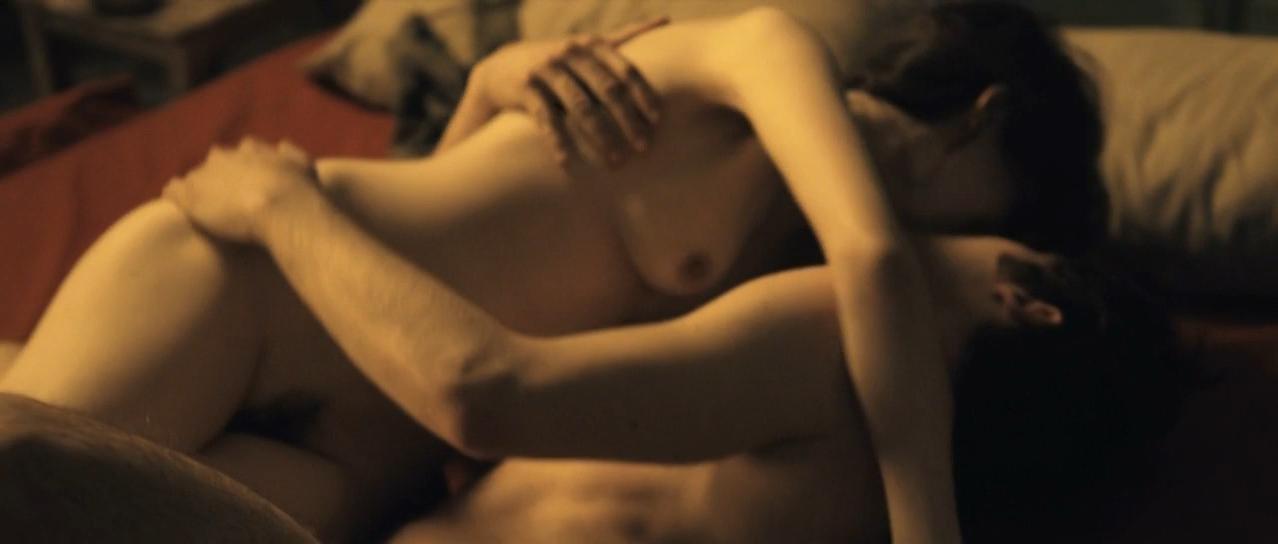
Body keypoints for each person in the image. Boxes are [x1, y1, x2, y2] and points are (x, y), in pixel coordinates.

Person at [0, 3, 1163, 543]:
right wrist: (928, 521)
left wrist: (483, 94)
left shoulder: (784, 277)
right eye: (993, 216)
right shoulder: (769, 55)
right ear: (979, 120)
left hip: (369, 461)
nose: (944, 249)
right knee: (24, 482)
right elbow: (874, 262)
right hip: (257, 287)